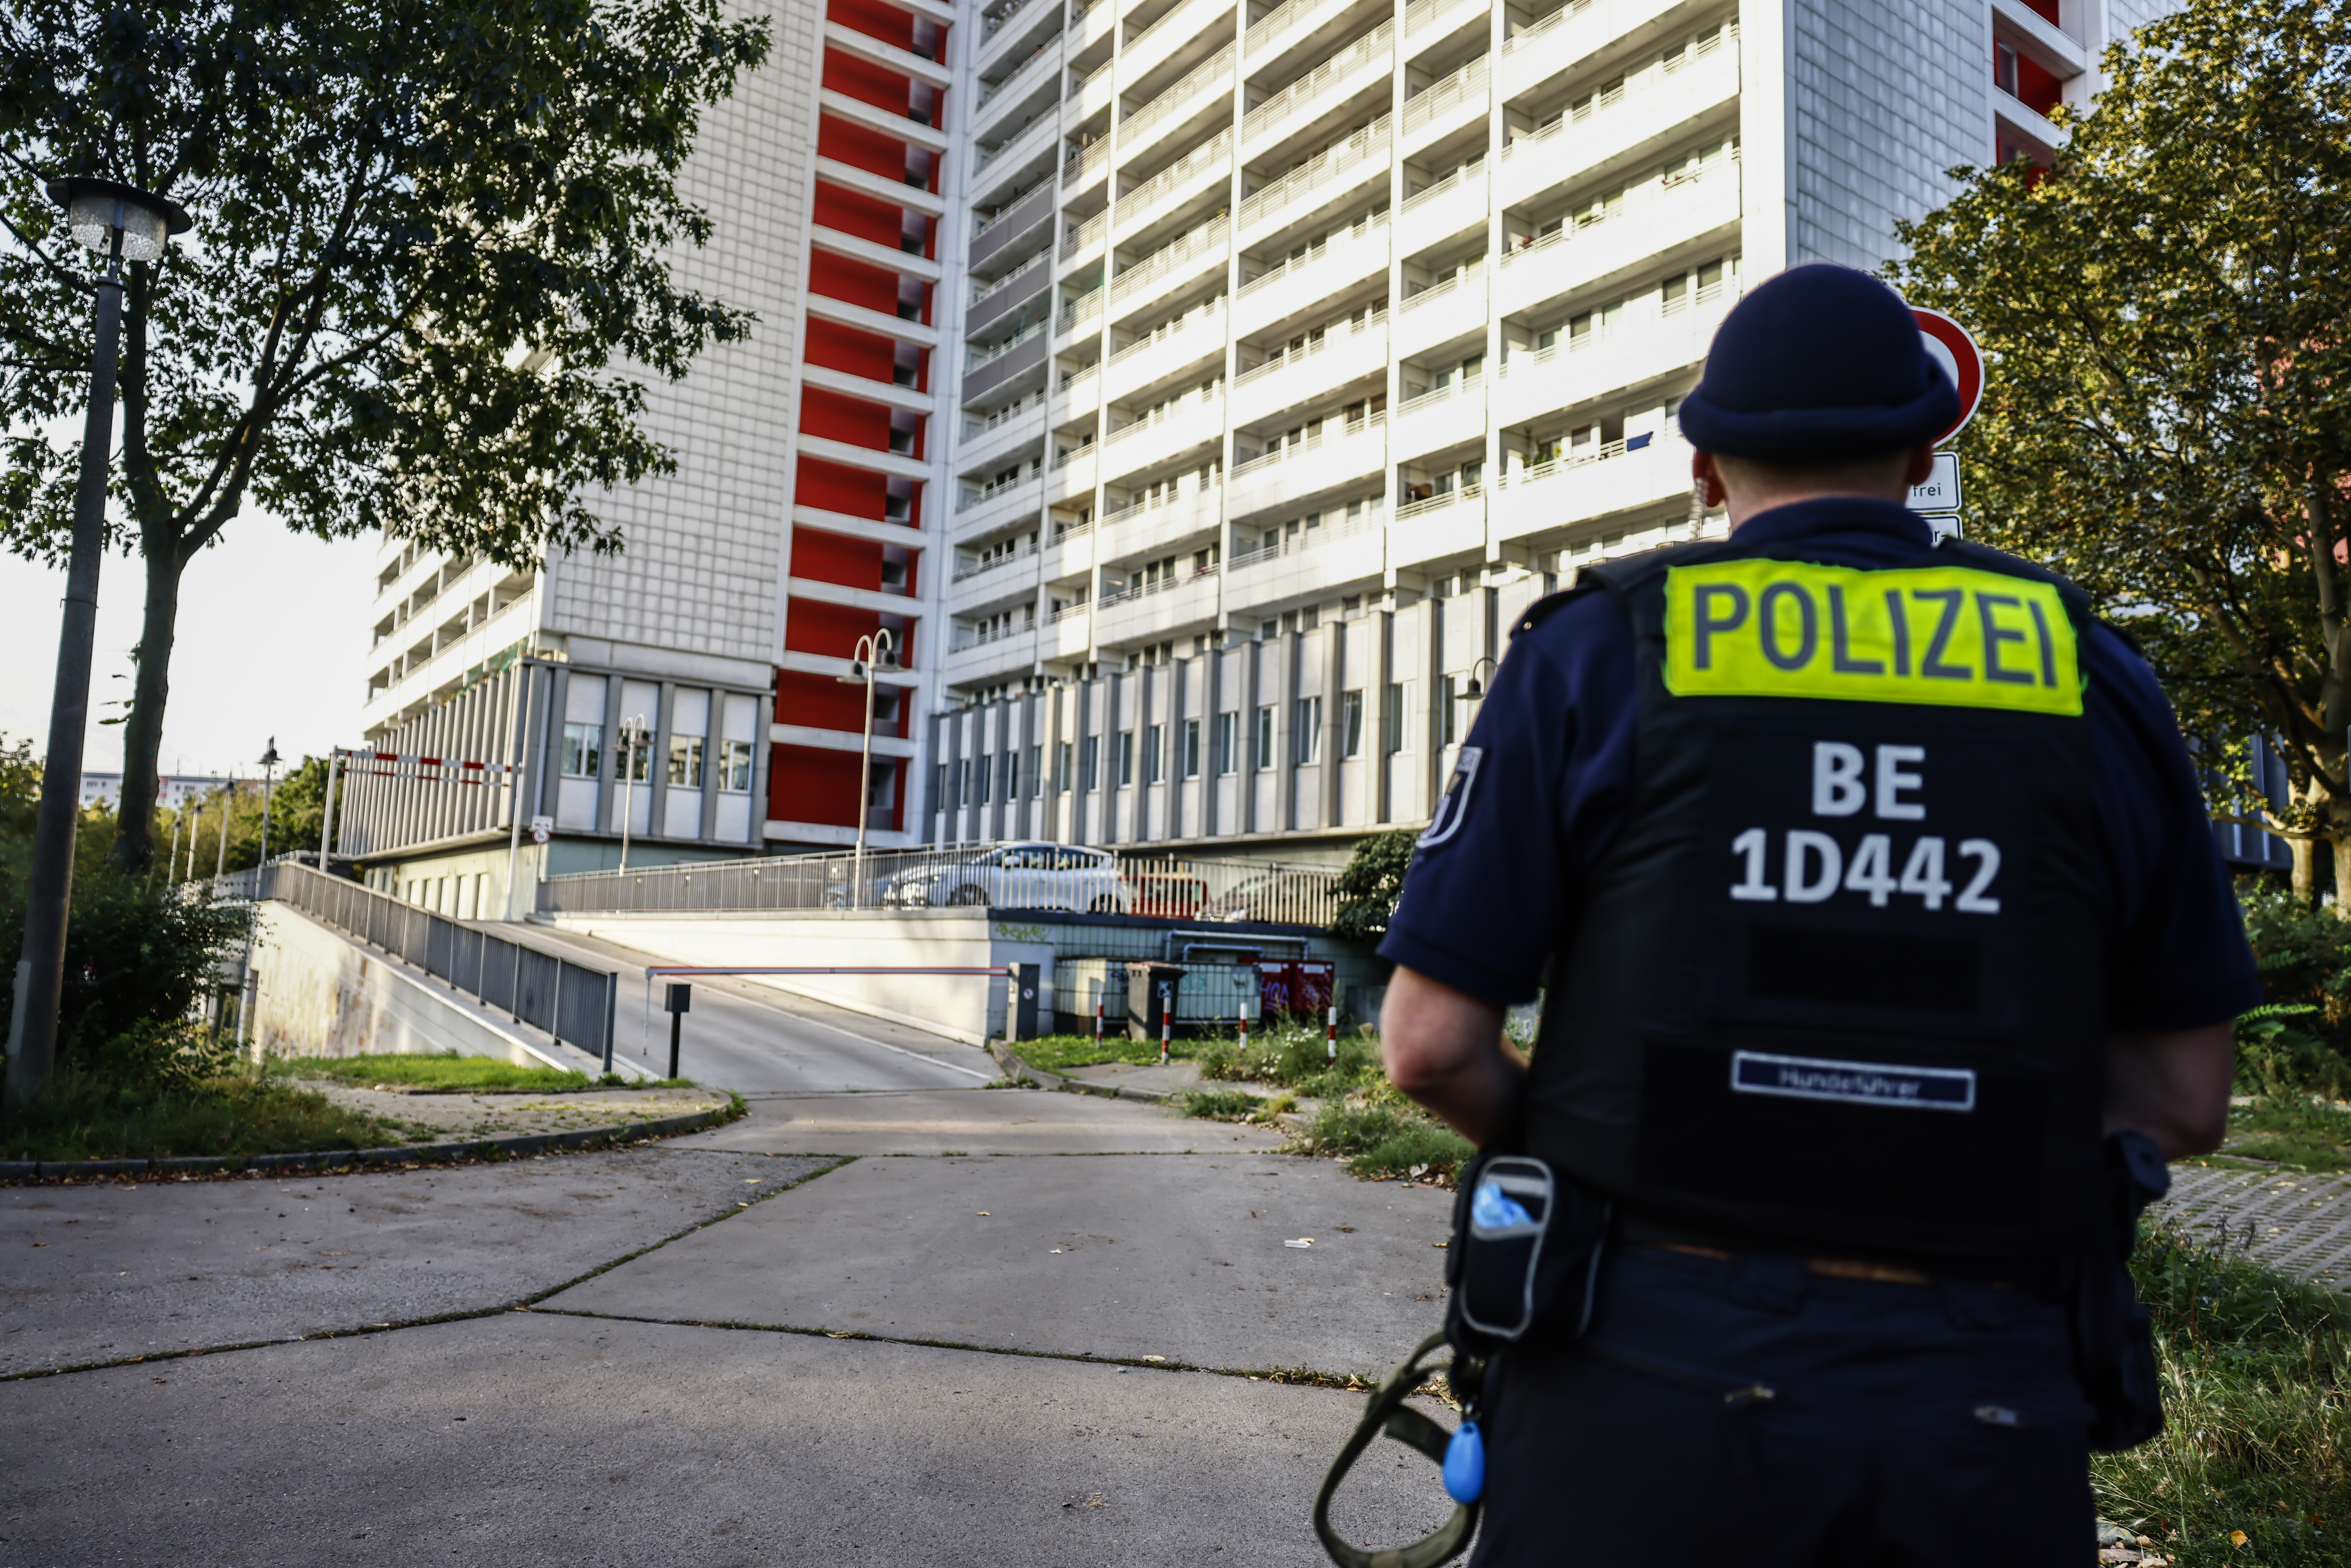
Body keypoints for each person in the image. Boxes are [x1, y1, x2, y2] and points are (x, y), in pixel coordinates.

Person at [1376, 264, 2255, 1566]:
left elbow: (1429, 1046)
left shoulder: (1594, 650)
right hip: (1982, 1399)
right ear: (1917, 451)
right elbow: (2184, 1099)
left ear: (1704, 467)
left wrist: (1596, 1140)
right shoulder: (2092, 671)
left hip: (1639, 1370)